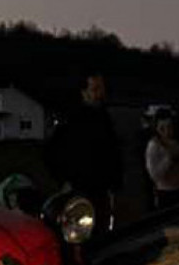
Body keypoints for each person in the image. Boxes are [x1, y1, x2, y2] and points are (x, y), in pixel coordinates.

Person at [45, 71, 122, 233]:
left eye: (101, 89)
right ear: (84, 92)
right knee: (84, 234)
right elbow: (52, 152)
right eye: (95, 89)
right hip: (80, 190)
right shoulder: (72, 120)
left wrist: (115, 181)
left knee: (103, 231)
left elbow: (112, 151)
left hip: (102, 190)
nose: (100, 94)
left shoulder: (105, 117)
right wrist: (64, 180)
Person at [144, 108, 179, 209]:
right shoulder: (154, 145)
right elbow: (155, 175)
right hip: (167, 192)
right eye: (162, 128)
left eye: (169, 127)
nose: (166, 132)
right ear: (156, 128)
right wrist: (169, 158)